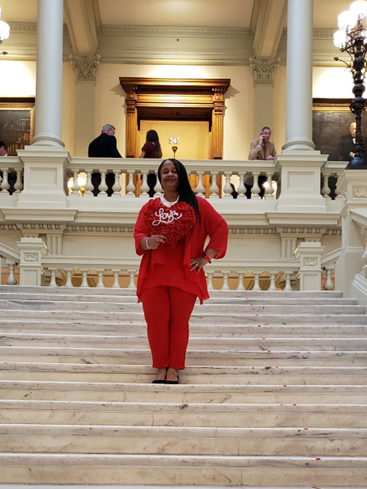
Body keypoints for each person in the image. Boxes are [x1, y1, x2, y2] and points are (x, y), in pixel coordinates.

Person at [134, 158, 228, 384]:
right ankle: (160, 367)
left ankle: (174, 368)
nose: (169, 175)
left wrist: (206, 257)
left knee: (179, 323)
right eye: (165, 171)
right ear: (160, 178)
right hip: (154, 274)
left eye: (174, 171)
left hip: (185, 274)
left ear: (182, 175)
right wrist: (148, 242)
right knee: (156, 322)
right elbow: (139, 234)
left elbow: (220, 227)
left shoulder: (198, 205)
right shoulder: (150, 208)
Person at [88, 124, 122, 196]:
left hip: (94, 178)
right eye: (113, 133)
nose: (113, 135)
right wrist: (123, 161)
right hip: (108, 178)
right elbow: (114, 153)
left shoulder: (92, 144)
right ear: (109, 131)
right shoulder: (111, 139)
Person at [247, 126, 277, 198]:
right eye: (265, 133)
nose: (267, 135)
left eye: (269, 134)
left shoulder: (271, 145)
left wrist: (272, 158)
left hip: (263, 176)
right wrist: (259, 145)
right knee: (248, 196)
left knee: (260, 196)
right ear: (261, 134)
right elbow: (251, 157)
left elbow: (276, 158)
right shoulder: (254, 143)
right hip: (251, 177)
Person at [139, 129, 162, 197]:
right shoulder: (157, 147)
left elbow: (141, 157)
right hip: (155, 172)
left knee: (147, 190)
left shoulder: (147, 145)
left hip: (147, 171)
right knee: (153, 190)